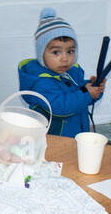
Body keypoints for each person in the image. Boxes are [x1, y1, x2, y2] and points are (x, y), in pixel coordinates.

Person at [17, 7, 105, 137]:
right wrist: (87, 94)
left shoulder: (72, 73)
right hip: (53, 140)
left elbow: (80, 94)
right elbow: (61, 107)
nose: (65, 58)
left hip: (76, 135)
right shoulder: (41, 82)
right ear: (42, 54)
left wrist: (95, 88)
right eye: (56, 52)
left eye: (70, 51)